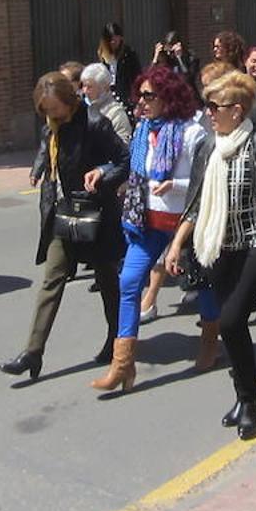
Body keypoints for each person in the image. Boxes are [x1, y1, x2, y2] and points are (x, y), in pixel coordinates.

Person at [164, 71, 256, 439]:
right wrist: (178, 243)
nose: (208, 112)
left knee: (229, 321)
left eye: (215, 106)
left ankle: (250, 400)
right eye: (207, 105)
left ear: (238, 109)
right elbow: (196, 202)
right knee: (234, 328)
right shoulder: (208, 148)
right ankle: (245, 397)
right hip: (218, 247)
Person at [92, 65, 219, 393]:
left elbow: (209, 181)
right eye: (140, 96)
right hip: (146, 222)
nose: (142, 103)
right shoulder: (142, 130)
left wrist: (174, 184)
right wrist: (103, 171)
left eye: (149, 96)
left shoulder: (192, 133)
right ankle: (123, 365)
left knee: (202, 283)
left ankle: (209, 344)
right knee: (129, 282)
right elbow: (128, 167)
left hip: (186, 224)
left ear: (169, 97)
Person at [0, 72, 128, 380]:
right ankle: (33, 352)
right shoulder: (52, 128)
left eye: (55, 109)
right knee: (51, 280)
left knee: (108, 282)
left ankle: (117, 341)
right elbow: (49, 153)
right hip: (66, 213)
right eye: (45, 110)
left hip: (97, 214)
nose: (50, 115)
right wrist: (39, 170)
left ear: (69, 102)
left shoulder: (95, 123)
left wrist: (102, 173)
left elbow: (125, 160)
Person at [80, 63, 132, 144]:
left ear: (104, 88)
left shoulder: (116, 114)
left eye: (89, 87)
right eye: (83, 86)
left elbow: (123, 146)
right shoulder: (81, 109)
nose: (85, 91)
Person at [97, 22, 142, 112]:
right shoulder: (102, 54)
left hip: (125, 94)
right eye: (110, 40)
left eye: (115, 39)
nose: (113, 42)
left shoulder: (129, 54)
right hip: (108, 93)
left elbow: (137, 76)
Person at [152, 30, 201, 95]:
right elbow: (151, 76)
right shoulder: (167, 59)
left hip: (188, 96)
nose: (169, 54)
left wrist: (180, 58)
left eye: (171, 50)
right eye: (167, 50)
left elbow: (189, 80)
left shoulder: (191, 58)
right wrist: (156, 57)